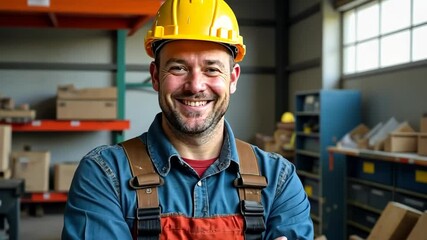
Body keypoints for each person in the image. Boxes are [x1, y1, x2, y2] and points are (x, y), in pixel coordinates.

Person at [62, 0, 313, 239]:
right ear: (155, 76)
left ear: (233, 78)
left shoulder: (278, 178)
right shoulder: (105, 174)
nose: (195, 85)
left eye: (212, 69)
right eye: (178, 68)